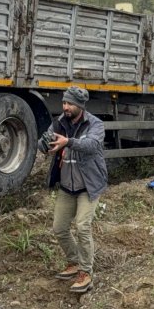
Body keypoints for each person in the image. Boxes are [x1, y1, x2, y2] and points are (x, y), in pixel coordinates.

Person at [42, 86, 106, 294]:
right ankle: (74, 261)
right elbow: (45, 143)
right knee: (59, 228)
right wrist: (44, 144)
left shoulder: (95, 124)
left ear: (80, 106)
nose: (65, 107)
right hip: (67, 186)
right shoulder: (59, 122)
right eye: (64, 103)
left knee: (82, 226)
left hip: (88, 186)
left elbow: (92, 145)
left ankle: (86, 272)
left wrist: (67, 142)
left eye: (70, 104)